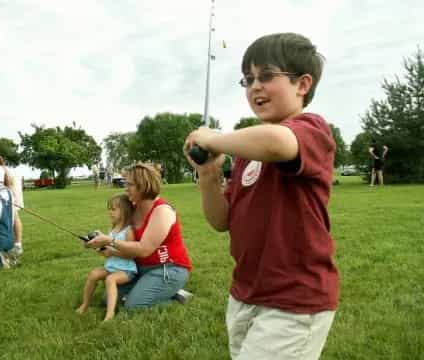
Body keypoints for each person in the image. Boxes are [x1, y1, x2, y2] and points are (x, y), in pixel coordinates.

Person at [184, 33, 338, 359]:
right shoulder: (245, 154)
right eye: (248, 79)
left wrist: (215, 138)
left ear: (302, 84)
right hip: (245, 294)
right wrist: (209, 174)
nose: (255, 86)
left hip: (294, 300)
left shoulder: (311, 129)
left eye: (267, 76)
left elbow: (277, 143)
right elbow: (221, 220)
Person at [86, 163, 192, 308]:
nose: (125, 188)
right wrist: (103, 245)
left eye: (130, 184)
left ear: (143, 186)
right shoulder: (133, 208)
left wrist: (110, 241)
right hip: (140, 269)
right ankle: (151, 290)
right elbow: (121, 233)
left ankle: (175, 294)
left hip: (167, 268)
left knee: (134, 306)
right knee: (108, 299)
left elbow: (144, 249)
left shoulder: (162, 211)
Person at [76, 193, 137, 321]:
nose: (110, 212)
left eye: (114, 209)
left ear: (125, 211)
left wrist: (111, 252)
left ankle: (109, 315)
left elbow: (131, 253)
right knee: (93, 275)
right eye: (109, 209)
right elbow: (106, 249)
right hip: (111, 267)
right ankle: (85, 304)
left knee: (110, 280)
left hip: (126, 270)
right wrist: (94, 246)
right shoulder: (112, 230)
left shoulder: (128, 231)